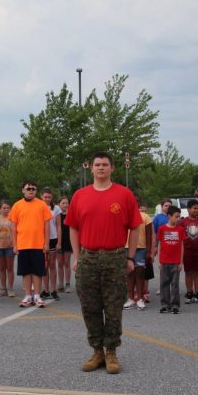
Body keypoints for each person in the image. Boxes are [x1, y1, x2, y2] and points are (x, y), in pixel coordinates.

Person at [66, 152, 142, 374]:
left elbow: (135, 227)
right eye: (97, 164)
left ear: (112, 168)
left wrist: (130, 256)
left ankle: (111, 352)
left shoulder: (124, 194)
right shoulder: (80, 195)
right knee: (89, 307)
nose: (101, 168)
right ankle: (96, 350)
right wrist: (77, 257)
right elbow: (73, 227)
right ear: (91, 168)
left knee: (113, 307)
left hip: (115, 257)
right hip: (88, 257)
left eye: (105, 164)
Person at [9, 180, 52, 308]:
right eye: (28, 188)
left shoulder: (42, 205)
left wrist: (47, 243)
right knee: (26, 271)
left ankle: (37, 295)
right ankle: (28, 295)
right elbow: (13, 226)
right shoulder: (17, 205)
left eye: (33, 188)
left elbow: (47, 225)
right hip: (23, 245)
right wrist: (15, 245)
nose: (31, 190)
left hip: (38, 244)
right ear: (23, 190)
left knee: (38, 271)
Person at [153, 205, 184, 314]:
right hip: (164, 261)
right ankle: (165, 304)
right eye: (176, 216)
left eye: (179, 217)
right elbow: (160, 245)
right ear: (169, 216)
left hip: (175, 262)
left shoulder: (180, 230)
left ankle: (175, 305)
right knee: (164, 283)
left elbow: (181, 246)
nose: (178, 219)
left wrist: (181, 262)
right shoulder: (162, 229)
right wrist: (159, 261)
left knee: (175, 285)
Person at [123, 196, 151, 311]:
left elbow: (149, 235)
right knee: (129, 273)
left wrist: (149, 251)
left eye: (136, 203)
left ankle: (139, 298)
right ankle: (130, 298)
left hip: (140, 248)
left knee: (139, 273)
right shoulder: (124, 216)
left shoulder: (145, 217)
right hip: (126, 248)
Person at [181, 199, 198, 305]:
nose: (196, 210)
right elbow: (180, 237)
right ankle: (189, 292)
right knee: (188, 272)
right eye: (194, 208)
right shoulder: (183, 222)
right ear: (188, 209)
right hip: (187, 251)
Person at [41, 188, 61, 300]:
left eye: (49, 197)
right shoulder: (39, 206)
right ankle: (45, 290)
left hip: (53, 238)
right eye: (45, 197)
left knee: (52, 264)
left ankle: (54, 290)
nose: (47, 199)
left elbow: (58, 226)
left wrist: (59, 241)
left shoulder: (56, 208)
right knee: (44, 265)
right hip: (41, 239)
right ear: (41, 197)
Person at [0, 200, 16, 297]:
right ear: (0, 209)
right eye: (4, 208)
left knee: (10, 268)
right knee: (2, 268)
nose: (6, 210)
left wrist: (16, 246)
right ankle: (3, 288)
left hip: (10, 246)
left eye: (8, 208)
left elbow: (16, 232)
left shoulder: (12, 219)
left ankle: (10, 288)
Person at [56, 197, 73, 294]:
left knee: (67, 262)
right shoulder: (57, 215)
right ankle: (60, 284)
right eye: (63, 203)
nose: (65, 205)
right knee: (59, 263)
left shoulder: (71, 215)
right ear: (59, 204)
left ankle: (67, 284)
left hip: (68, 241)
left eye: (67, 203)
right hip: (59, 241)